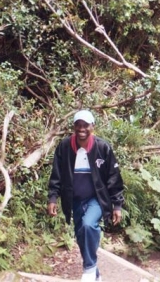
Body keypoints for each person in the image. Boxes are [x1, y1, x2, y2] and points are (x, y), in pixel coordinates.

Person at [47, 110, 125, 282]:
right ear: (74, 127)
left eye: (86, 125)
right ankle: (94, 274)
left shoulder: (102, 147)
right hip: (74, 200)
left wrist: (117, 205)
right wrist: (53, 197)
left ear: (92, 127)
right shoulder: (65, 146)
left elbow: (114, 177)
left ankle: (88, 270)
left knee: (89, 226)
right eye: (78, 125)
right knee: (81, 235)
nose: (82, 129)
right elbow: (57, 174)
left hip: (96, 199)